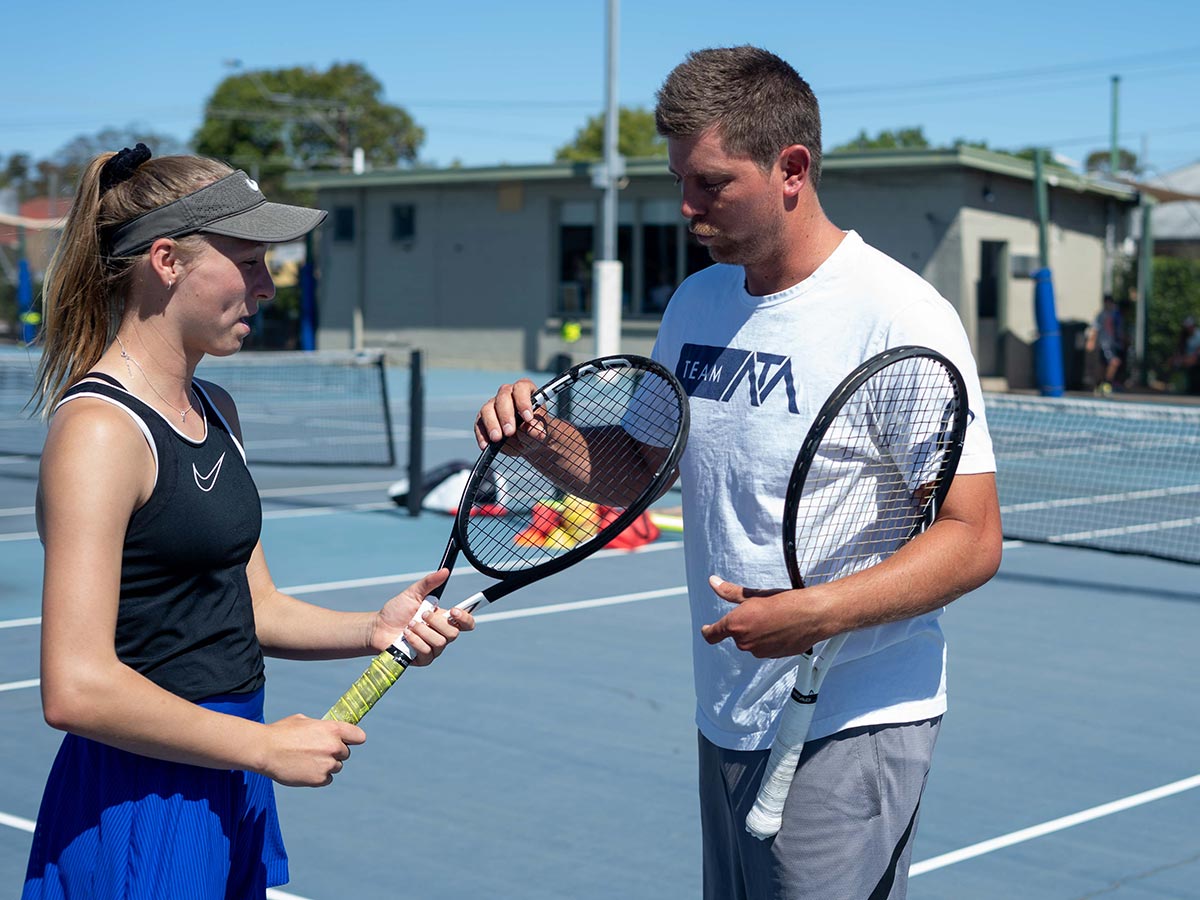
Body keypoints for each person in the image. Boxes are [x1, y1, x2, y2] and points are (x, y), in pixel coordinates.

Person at [475, 47, 1002, 899]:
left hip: (852, 718)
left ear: (791, 168)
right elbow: (640, 466)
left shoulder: (897, 314)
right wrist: (541, 441)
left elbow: (972, 538)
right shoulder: (699, 301)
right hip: (727, 710)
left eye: (711, 183)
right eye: (679, 181)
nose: (687, 207)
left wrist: (818, 613)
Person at [22, 144, 475, 900]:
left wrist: (373, 628)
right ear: (167, 261)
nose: (266, 286)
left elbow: (253, 607)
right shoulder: (100, 432)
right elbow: (76, 687)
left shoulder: (217, 410)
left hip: (226, 776)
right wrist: (261, 747)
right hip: (141, 795)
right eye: (248, 262)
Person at [1090, 294, 1125, 395]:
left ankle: (1100, 385)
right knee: (1113, 362)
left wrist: (1122, 339)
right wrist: (1091, 341)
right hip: (1105, 343)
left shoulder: (1115, 314)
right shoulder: (1102, 315)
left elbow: (1118, 329)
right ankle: (1106, 384)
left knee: (1104, 365)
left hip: (1113, 344)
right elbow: (1095, 329)